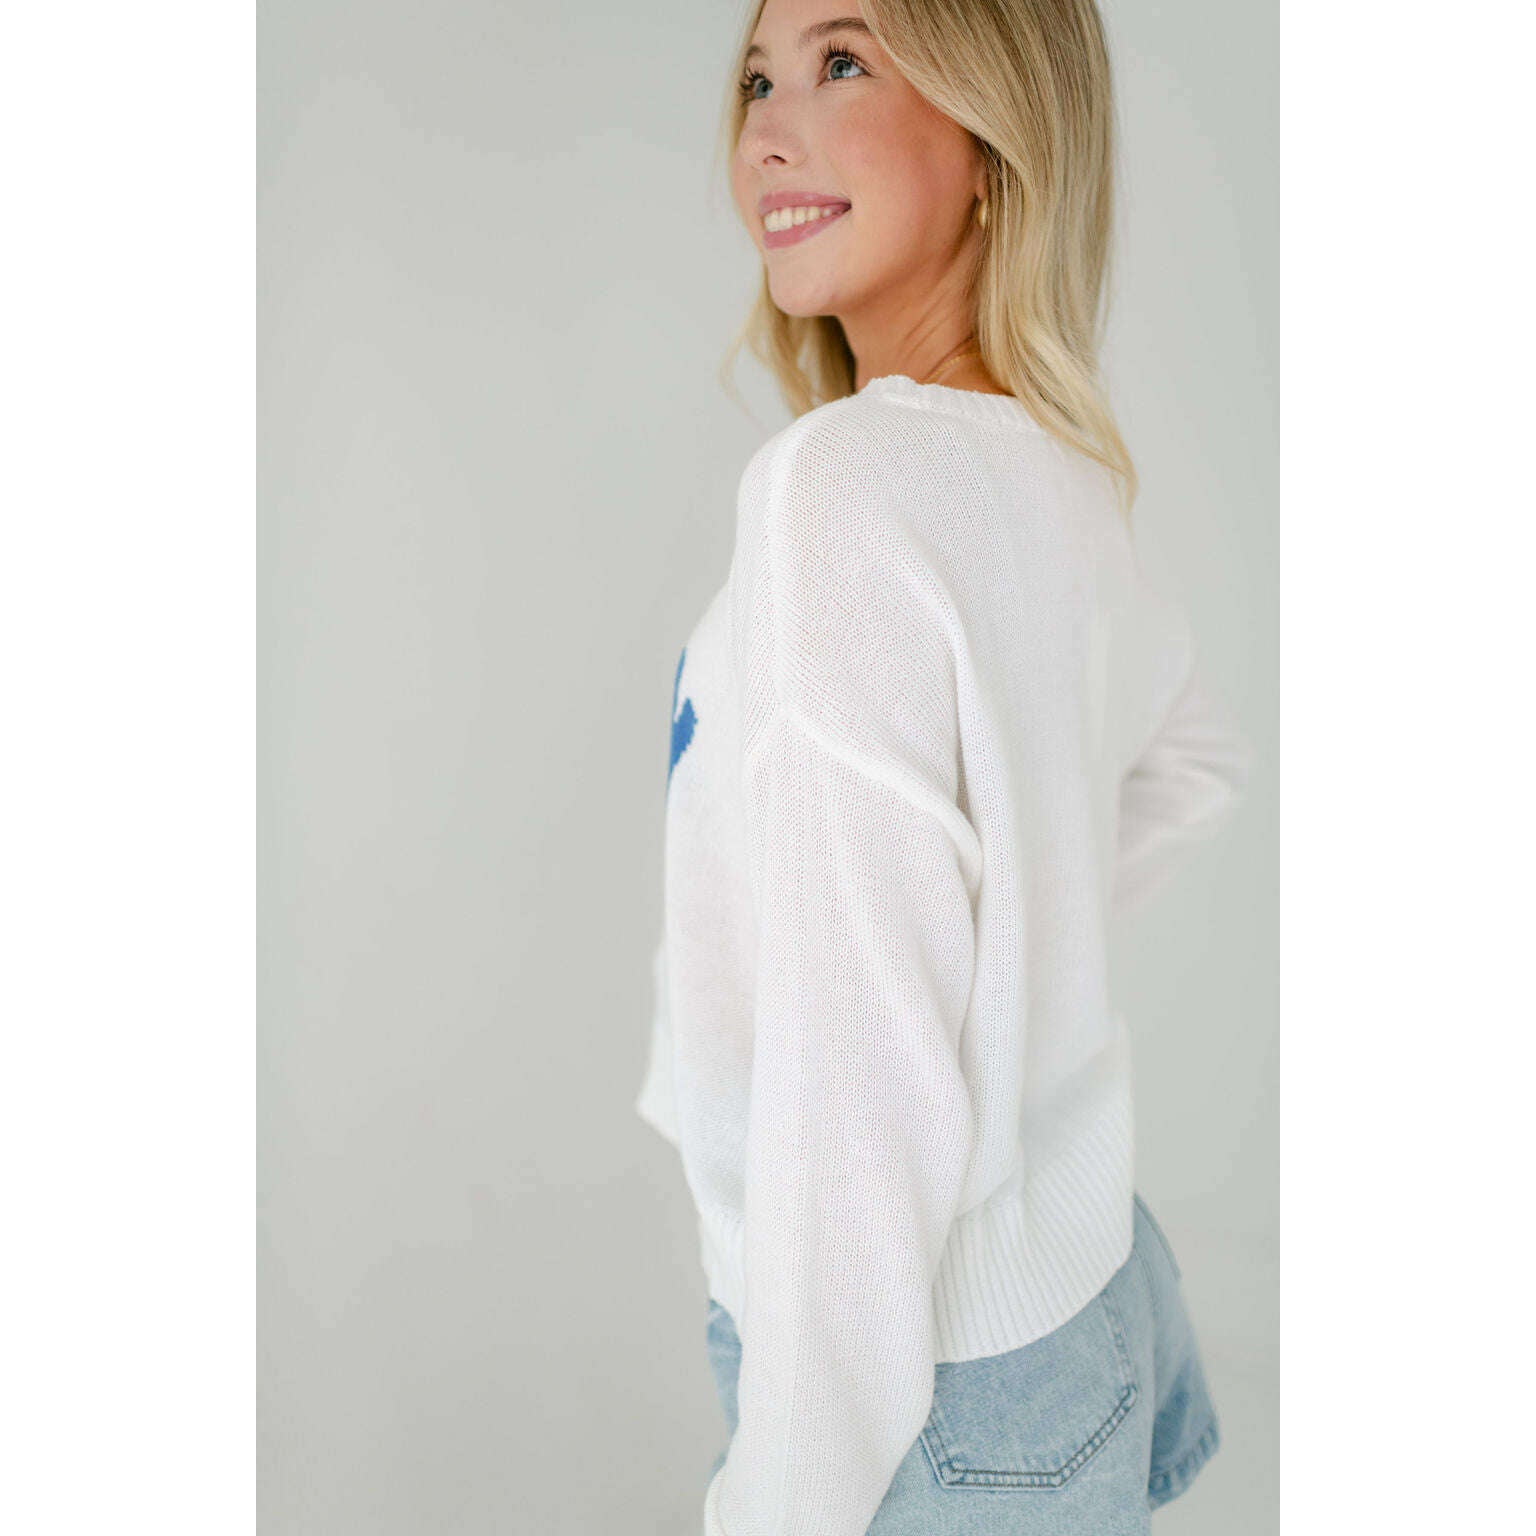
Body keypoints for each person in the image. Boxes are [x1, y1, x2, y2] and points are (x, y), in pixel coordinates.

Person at [634, 1, 1253, 1531]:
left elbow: (854, 1099)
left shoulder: (841, 490)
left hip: (916, 1379)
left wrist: (783, 1499)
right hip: (1083, 1300)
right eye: (758, 79)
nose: (768, 133)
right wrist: (1013, 965)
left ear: (991, 137)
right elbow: (1195, 758)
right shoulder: (1054, 473)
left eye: (843, 62)